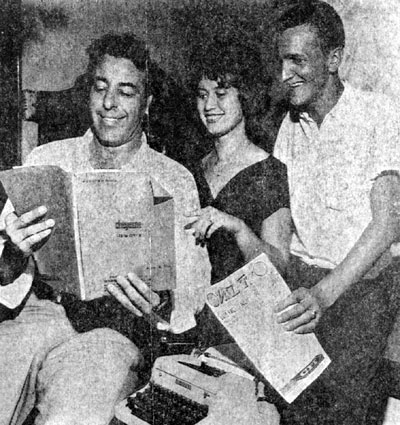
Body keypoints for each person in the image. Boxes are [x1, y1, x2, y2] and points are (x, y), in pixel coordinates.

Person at [0, 33, 210, 425]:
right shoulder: (45, 159)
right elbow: (4, 275)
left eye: (126, 92)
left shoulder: (173, 178)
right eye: (101, 88)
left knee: (81, 397)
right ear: (88, 95)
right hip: (42, 313)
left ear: (146, 105)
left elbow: (194, 289)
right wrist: (13, 251)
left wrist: (162, 305)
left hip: (116, 330)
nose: (110, 103)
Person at [272, 1, 400, 424]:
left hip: (361, 291)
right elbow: (283, 220)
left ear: (333, 59)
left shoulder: (378, 114)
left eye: (298, 61)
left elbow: (388, 224)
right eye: (281, 61)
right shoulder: (288, 126)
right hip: (304, 285)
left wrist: (324, 295)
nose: (285, 75)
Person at [184, 38, 292, 349]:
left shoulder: (270, 172)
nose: (209, 106)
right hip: (191, 324)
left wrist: (238, 227)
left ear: (245, 96)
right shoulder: (190, 169)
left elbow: (280, 265)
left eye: (221, 94)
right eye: (202, 95)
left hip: (245, 332)